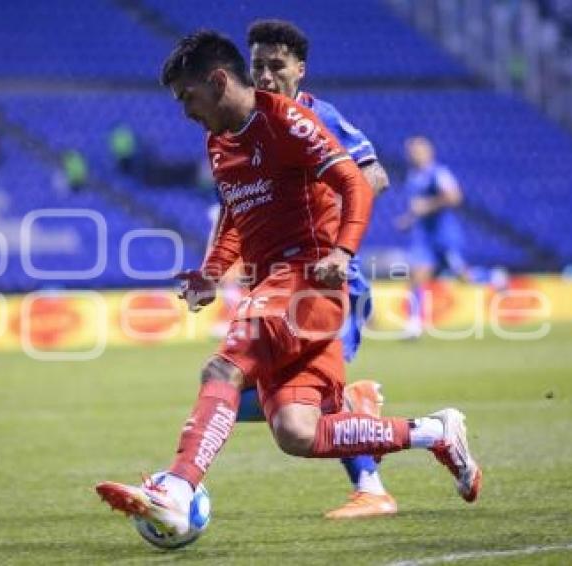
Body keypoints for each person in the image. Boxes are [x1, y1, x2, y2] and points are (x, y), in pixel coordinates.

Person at [95, 31, 481, 537]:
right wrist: (213, 271)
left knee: (223, 368)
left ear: (216, 82)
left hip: (306, 278)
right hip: (271, 283)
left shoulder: (289, 119)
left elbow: (356, 180)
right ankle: (434, 432)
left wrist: (340, 251)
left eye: (187, 96)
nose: (184, 110)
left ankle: (178, 487)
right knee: (296, 432)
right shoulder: (219, 141)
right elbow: (236, 212)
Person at [230, 19, 394, 519]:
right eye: (257, 65)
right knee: (242, 404)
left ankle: (372, 488)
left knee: (313, 403)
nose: (264, 76)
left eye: (276, 66)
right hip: (284, 286)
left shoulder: (316, 115)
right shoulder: (250, 128)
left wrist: (335, 246)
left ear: (299, 69)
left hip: (329, 283)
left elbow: (374, 176)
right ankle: (357, 407)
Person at [395, 137, 467, 338]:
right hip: (424, 238)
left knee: (463, 276)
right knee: (417, 277)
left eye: (417, 150)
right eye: (411, 151)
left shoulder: (439, 173)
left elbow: (454, 197)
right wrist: (408, 220)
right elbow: (417, 208)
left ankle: (496, 279)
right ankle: (414, 324)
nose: (413, 155)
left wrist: (428, 205)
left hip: (444, 235)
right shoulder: (412, 176)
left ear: (429, 152)